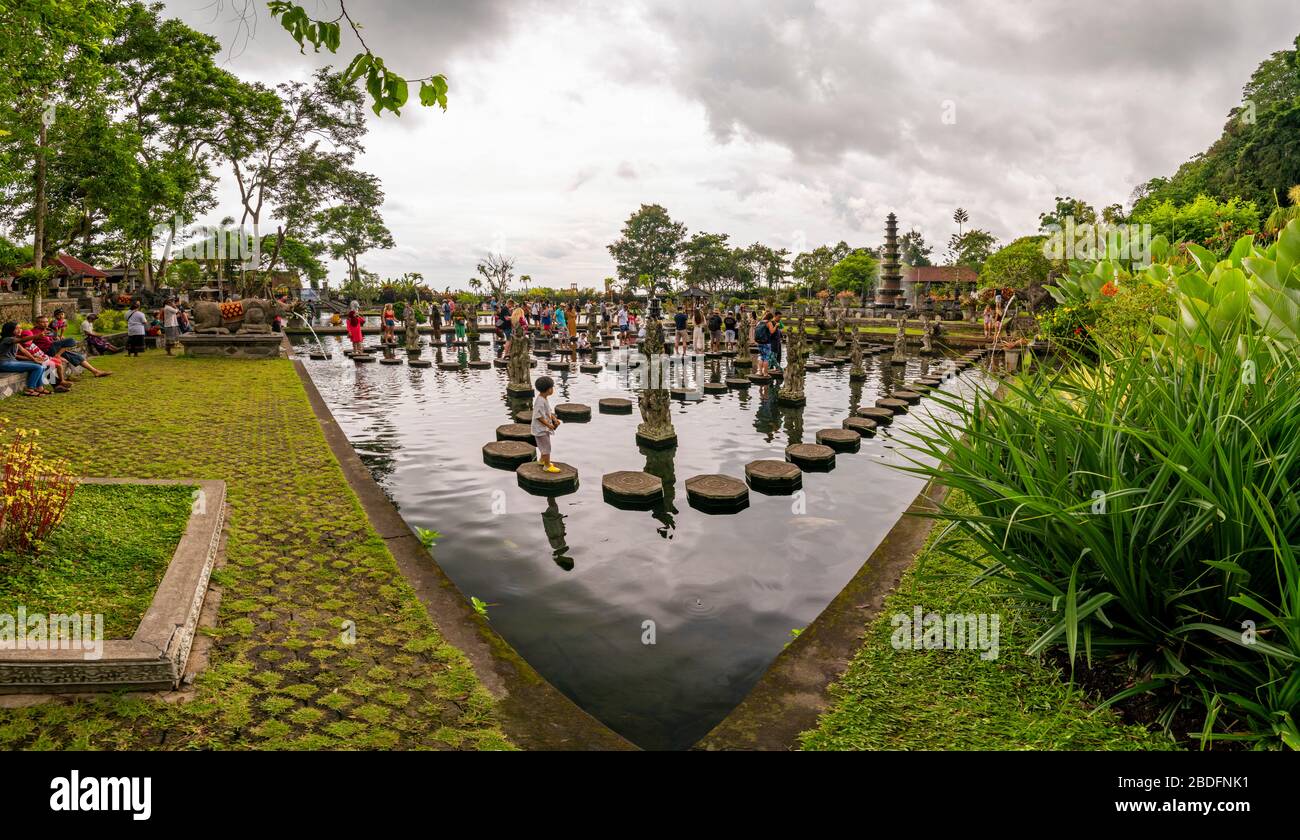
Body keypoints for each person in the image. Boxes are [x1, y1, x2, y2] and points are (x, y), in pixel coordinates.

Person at [32, 316, 111, 378]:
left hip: (54, 348)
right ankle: (58, 355)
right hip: (47, 350)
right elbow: (30, 343)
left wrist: (57, 338)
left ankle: (95, 371)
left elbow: (53, 338)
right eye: (42, 322)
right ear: (37, 323)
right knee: (71, 340)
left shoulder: (48, 330)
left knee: (77, 356)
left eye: (46, 322)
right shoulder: (34, 332)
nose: (45, 323)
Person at [0, 321, 49, 397]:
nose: (20, 330)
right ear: (10, 330)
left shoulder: (14, 340)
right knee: (38, 367)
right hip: (5, 363)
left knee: (40, 364)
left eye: (20, 328)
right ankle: (30, 389)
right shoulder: (7, 339)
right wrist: (36, 336)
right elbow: (22, 340)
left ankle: (39, 388)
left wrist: (34, 359)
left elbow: (24, 350)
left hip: (12, 362)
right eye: (17, 328)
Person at [531, 376, 562, 473]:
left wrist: (554, 418)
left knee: (544, 445)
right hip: (540, 429)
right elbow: (538, 416)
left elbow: (548, 411)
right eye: (552, 388)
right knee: (546, 447)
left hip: (543, 428)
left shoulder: (544, 398)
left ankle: (542, 461)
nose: (553, 390)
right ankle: (547, 466)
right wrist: (548, 425)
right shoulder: (539, 401)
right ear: (548, 390)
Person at [754, 311, 773, 376]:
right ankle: (765, 372)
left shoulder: (759, 322)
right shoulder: (769, 322)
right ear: (770, 318)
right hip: (766, 342)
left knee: (760, 356)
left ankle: (759, 371)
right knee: (766, 358)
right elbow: (772, 331)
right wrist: (775, 326)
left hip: (759, 342)